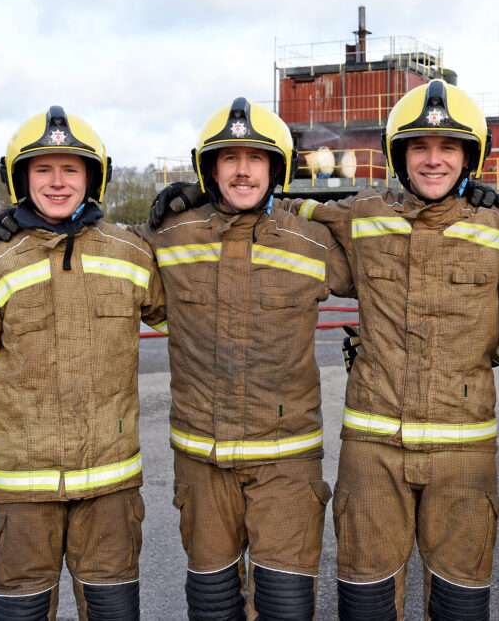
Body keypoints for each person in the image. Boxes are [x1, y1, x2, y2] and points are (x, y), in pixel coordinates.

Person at [146, 80, 499, 620]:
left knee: (460, 602)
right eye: (421, 148)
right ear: (400, 156)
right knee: (366, 599)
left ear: (469, 158)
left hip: (463, 452)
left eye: (448, 148)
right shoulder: (360, 219)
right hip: (373, 447)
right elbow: (290, 213)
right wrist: (204, 196)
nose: (433, 160)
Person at [0, 107, 167, 620]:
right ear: (21, 179)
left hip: (111, 490)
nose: (58, 182)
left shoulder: (131, 256)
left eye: (71, 169)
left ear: (94, 177)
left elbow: (194, 315)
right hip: (21, 494)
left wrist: (200, 210)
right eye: (43, 169)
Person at [135, 98, 354, 620]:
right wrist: (27, 223)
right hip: (202, 461)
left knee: (285, 608)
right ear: (208, 169)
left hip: (287, 460)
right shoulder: (169, 236)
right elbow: (97, 256)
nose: (242, 170)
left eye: (255, 158)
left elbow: (394, 244)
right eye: (228, 158)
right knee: (212, 608)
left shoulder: (311, 242)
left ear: (275, 168)